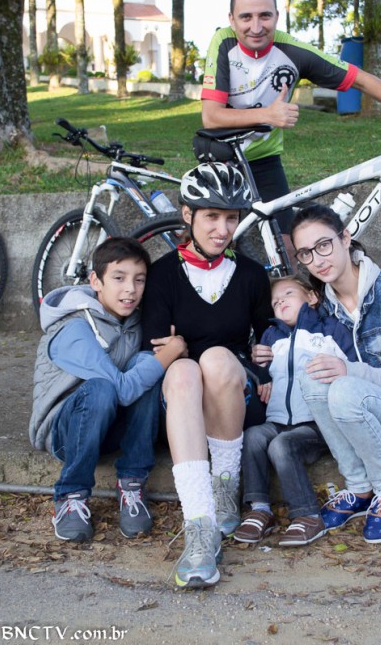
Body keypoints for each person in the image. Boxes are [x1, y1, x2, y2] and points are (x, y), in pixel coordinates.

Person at [254, 203, 381, 544]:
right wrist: (263, 354)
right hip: (358, 419)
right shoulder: (324, 303)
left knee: (344, 387)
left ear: (345, 238)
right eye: (306, 253)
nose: (318, 260)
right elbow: (293, 343)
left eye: (324, 245)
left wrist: (348, 370)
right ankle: (359, 488)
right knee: (312, 375)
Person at [201, 0, 381, 253]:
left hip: (264, 160)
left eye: (265, 16)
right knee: (211, 246)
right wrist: (268, 114)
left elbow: (361, 80)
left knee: (288, 251)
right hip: (222, 157)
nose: (256, 27)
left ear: (277, 17)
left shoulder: (292, 51)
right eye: (246, 17)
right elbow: (211, 116)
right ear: (232, 19)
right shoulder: (223, 42)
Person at [140, 162, 272, 589]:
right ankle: (200, 525)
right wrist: (179, 353)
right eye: (212, 216)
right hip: (181, 406)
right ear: (187, 214)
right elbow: (157, 348)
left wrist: (265, 353)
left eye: (231, 218)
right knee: (182, 371)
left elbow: (269, 331)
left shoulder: (251, 274)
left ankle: (224, 485)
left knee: (215, 358)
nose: (222, 229)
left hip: (236, 396)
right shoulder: (162, 274)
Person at [29, 237, 187, 543]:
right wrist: (171, 352)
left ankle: (132, 484)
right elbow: (122, 390)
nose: (130, 289)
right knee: (104, 387)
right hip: (64, 433)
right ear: (95, 281)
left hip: (109, 426)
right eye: (119, 278)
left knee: (145, 363)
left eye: (139, 280)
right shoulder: (73, 328)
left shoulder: (135, 320)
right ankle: (70, 496)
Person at [234, 275, 357, 547]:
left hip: (317, 423)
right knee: (253, 436)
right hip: (278, 419)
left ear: (312, 297)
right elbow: (263, 377)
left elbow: (353, 366)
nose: (280, 302)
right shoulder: (271, 337)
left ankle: (307, 515)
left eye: (288, 294)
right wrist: (258, 366)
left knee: (282, 445)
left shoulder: (330, 330)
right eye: (275, 302)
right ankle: (259, 509)